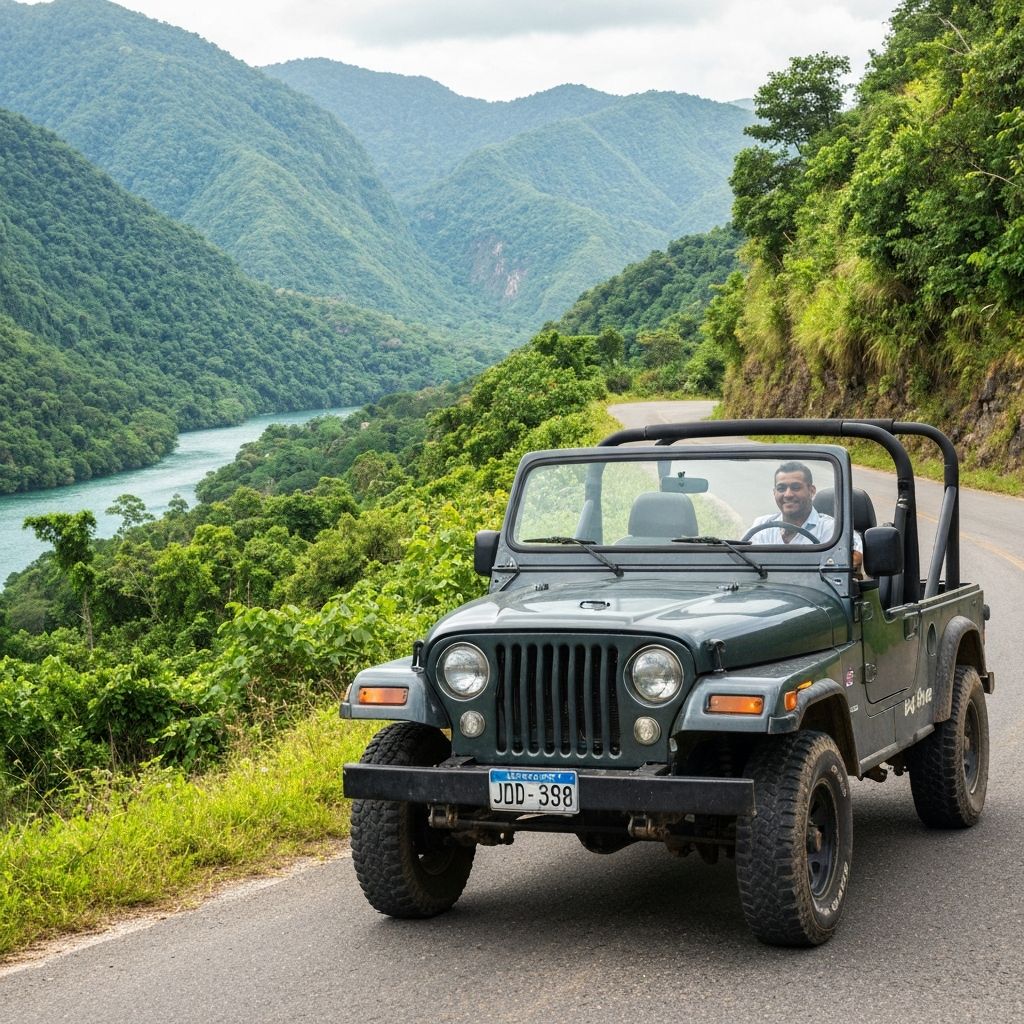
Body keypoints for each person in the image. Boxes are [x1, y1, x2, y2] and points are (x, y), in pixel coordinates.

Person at [748, 461, 863, 570]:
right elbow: (740, 561)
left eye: (796, 487)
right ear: (774, 493)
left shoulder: (833, 529)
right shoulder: (761, 526)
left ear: (811, 491)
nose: (788, 494)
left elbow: (854, 560)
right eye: (781, 488)